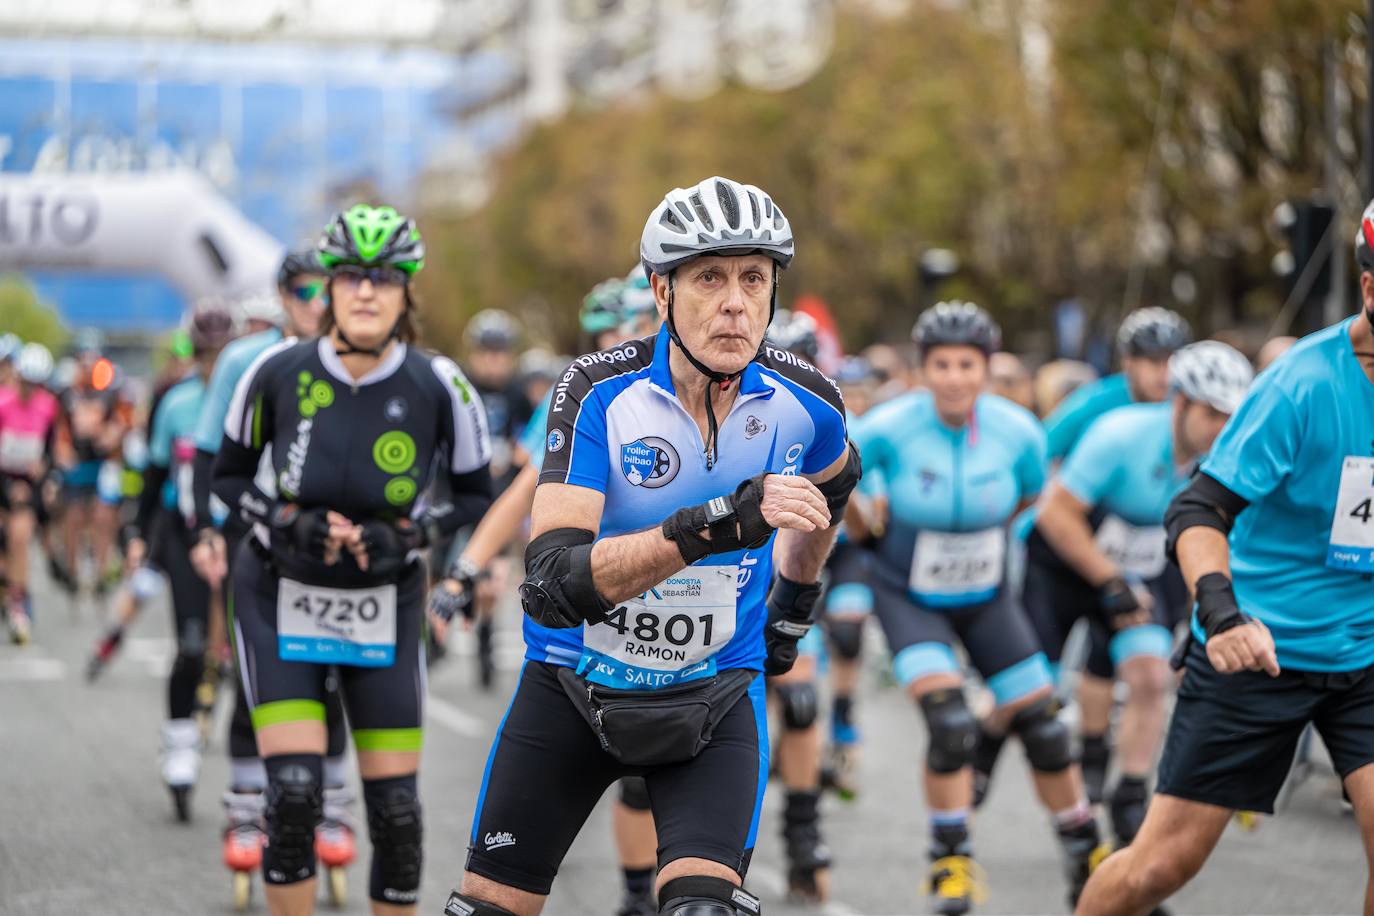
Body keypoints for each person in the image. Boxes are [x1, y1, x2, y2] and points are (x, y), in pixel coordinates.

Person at [447, 176, 859, 916]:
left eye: (754, 279)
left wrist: (794, 603)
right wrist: (711, 527)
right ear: (661, 291)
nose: (736, 301)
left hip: (714, 693)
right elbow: (550, 583)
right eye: (709, 278)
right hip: (574, 688)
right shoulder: (597, 392)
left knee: (704, 910)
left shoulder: (810, 403)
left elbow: (831, 489)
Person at [1075, 201, 1374, 916]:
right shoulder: (1304, 383)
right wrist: (1223, 613)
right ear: (1370, 290)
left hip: (1363, 651)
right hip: (1260, 648)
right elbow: (1198, 508)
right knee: (1158, 867)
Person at [212, 204, 492, 916]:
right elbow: (228, 479)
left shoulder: (441, 385)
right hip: (279, 592)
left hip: (386, 600)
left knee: (396, 813)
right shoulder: (275, 371)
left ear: (406, 294)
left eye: (385, 278)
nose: (367, 291)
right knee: (297, 795)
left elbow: (473, 495)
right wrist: (282, 521)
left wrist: (412, 534)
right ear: (330, 290)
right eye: (351, 277)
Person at [847, 301, 1104, 914]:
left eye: (967, 364)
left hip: (986, 598)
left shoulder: (1018, 431)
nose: (955, 378)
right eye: (941, 365)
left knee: (1044, 727)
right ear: (922, 369)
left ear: (987, 369)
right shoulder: (887, 426)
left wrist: (980, 546)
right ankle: (951, 858)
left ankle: (1084, 848)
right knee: (949, 721)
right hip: (909, 596)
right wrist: (866, 518)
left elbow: (1029, 499)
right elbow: (842, 485)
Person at [1002, 341, 1253, 849]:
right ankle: (993, 742)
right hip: (1066, 557)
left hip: (1144, 560)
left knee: (1150, 673)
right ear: (1179, 402)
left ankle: (1131, 793)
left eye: (1231, 417)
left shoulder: (1225, 454)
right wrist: (1109, 580)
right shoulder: (1120, 432)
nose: (1220, 429)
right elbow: (1053, 513)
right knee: (1032, 691)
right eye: (1210, 414)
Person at [189, 246, 353, 908]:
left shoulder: (358, 355)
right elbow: (209, 455)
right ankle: (245, 804)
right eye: (308, 292)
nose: (320, 303)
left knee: (339, 668)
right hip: (255, 534)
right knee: (254, 673)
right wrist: (208, 530)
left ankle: (334, 806)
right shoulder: (245, 360)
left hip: (336, 538)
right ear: (286, 296)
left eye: (329, 290)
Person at [124, 307, 237, 820]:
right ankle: (180, 741)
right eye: (205, 356)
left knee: (248, 647)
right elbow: (152, 474)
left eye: (222, 356)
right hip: (184, 532)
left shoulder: (249, 401)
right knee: (190, 645)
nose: (213, 366)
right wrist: (136, 535)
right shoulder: (175, 401)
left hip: (241, 534)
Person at [761, 306, 833, 902]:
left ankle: (803, 837)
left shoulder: (825, 417)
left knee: (801, 702)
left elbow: (857, 506)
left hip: (796, 578)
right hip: (725, 582)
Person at [1043, 308, 1190, 459]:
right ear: (1128, 363)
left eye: (1172, 361)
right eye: (1154, 361)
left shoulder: (1189, 408)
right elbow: (1043, 447)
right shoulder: (1094, 402)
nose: (1165, 372)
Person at [0, 343, 59, 643]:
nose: (28, 390)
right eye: (24, 383)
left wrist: (47, 473)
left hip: (28, 485)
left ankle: (18, 603)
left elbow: (51, 451)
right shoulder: (3, 403)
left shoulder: (48, 407)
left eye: (34, 385)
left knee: (19, 538)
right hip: (3, 480)